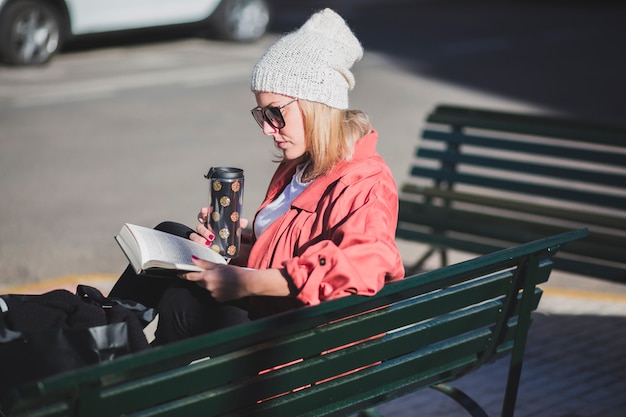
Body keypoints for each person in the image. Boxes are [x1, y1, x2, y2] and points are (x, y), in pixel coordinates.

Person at [108, 8, 405, 345]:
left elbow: (365, 266)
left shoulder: (366, 180)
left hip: (310, 341)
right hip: (279, 313)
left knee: (184, 301)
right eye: (261, 114)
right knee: (171, 235)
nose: (267, 128)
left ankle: (127, 377)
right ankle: (101, 340)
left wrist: (245, 282)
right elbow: (289, 252)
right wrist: (234, 246)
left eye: (275, 113)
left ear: (316, 104)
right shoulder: (299, 164)